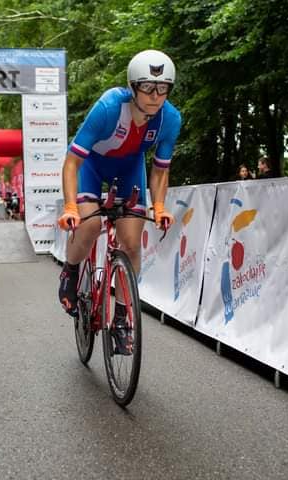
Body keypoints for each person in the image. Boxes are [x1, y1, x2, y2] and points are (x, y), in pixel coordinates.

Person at [56, 49, 181, 355]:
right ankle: (71, 271)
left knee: (132, 243)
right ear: (132, 86)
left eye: (163, 88)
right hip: (91, 167)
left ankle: (123, 319)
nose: (155, 96)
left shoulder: (170, 119)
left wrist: (159, 206)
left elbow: (160, 170)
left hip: (129, 170)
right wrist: (71, 207)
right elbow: (72, 162)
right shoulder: (109, 107)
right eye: (147, 87)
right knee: (89, 226)